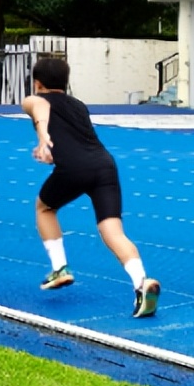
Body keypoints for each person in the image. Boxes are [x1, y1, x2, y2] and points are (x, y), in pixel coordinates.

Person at [20, 58, 160, 318]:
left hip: (74, 168)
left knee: (44, 208)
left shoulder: (33, 99)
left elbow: (40, 107)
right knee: (113, 230)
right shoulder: (78, 105)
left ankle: (60, 268)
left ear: (37, 83)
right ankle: (141, 282)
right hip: (105, 166)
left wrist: (42, 137)